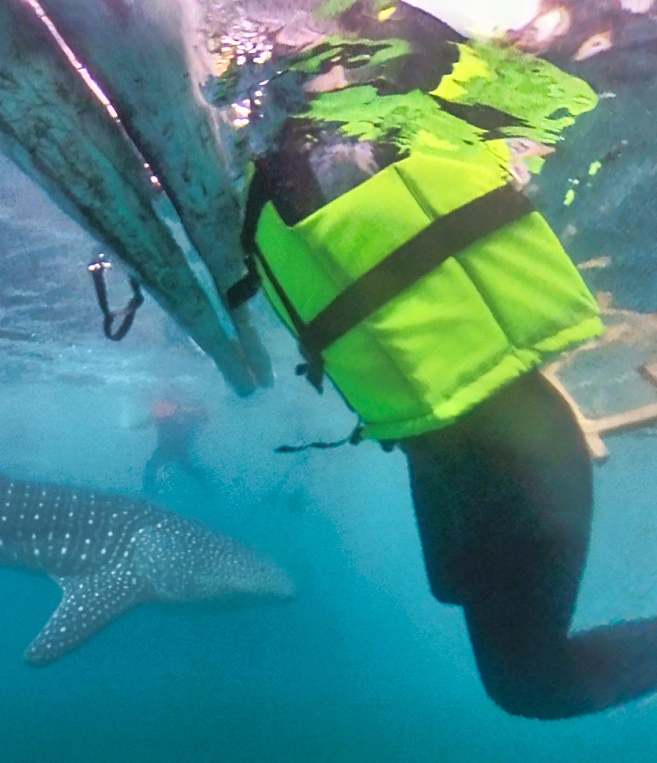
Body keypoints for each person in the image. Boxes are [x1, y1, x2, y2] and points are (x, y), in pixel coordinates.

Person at [225, 1, 657, 719]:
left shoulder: (401, 137)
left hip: (520, 455)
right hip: (450, 455)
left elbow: (537, 74)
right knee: (452, 588)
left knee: (529, 684)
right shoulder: (286, 174)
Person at [143, 396, 212, 495]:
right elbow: (147, 422)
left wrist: (203, 410)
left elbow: (201, 417)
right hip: (164, 449)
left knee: (186, 468)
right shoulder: (159, 414)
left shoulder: (184, 415)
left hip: (179, 449)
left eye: (166, 404)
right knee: (150, 468)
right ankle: (147, 494)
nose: (161, 407)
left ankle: (207, 486)